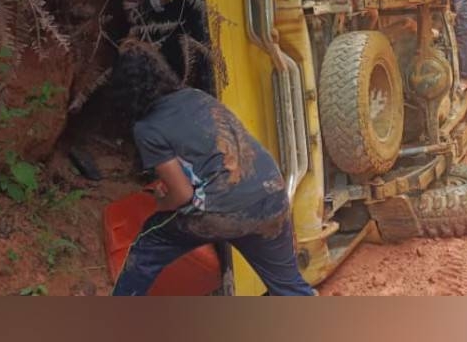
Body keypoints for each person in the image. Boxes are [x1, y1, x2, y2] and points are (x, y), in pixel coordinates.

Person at [108, 39, 315, 296]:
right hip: (271, 194)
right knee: (290, 287)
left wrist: (162, 203)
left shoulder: (147, 128)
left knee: (151, 240)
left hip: (223, 212)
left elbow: (182, 195)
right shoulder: (197, 97)